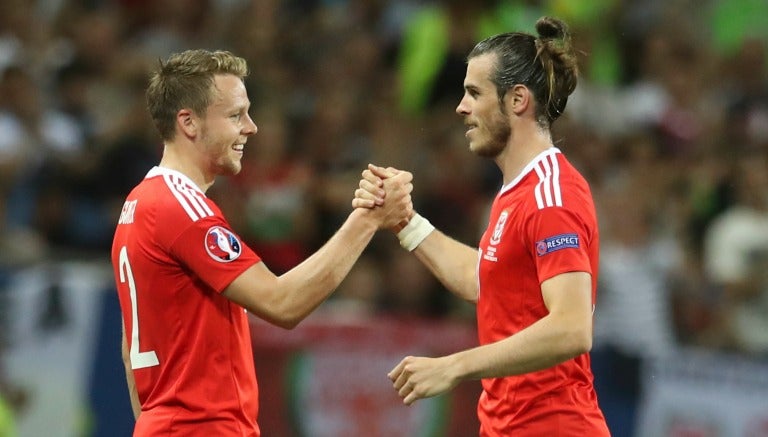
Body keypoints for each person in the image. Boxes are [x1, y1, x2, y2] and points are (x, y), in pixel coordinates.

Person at [110, 49, 413, 436]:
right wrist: (368, 219)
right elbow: (282, 303)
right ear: (188, 122)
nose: (251, 127)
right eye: (236, 115)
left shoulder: (139, 203)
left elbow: (129, 345)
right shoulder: (180, 208)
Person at [354, 17, 609, 436]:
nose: (461, 107)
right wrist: (406, 221)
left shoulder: (553, 194)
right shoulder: (516, 190)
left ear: (517, 100)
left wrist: (456, 365)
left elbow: (572, 327)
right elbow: (487, 282)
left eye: (474, 93)